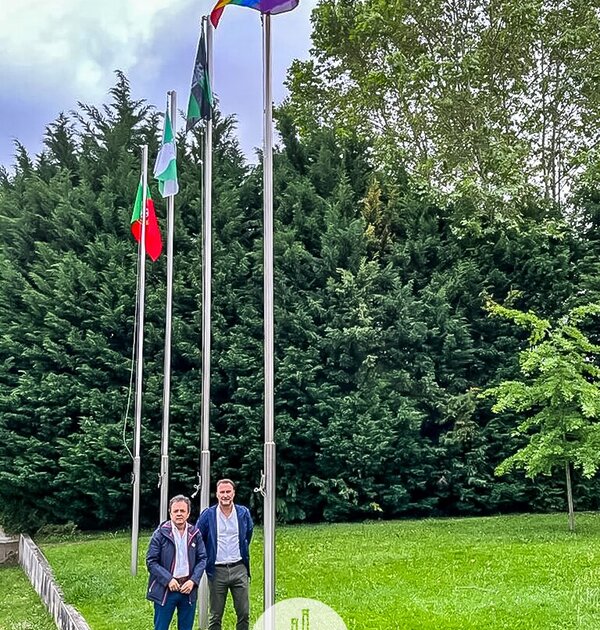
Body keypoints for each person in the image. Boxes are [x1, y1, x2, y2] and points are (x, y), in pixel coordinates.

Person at [197, 479, 254, 630]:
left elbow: (248, 534)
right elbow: (198, 538)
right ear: (217, 494)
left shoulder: (243, 513)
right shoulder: (208, 515)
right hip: (217, 570)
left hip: (239, 568)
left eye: (228, 491)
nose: (225, 495)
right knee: (215, 615)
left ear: (233, 493)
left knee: (244, 613)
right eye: (222, 492)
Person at [146, 494, 207, 630]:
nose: (179, 514)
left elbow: (202, 558)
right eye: (176, 511)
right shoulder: (160, 534)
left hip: (188, 589)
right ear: (170, 513)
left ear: (188, 513)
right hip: (166, 590)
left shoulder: (195, 534)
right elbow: (151, 562)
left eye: (182, 511)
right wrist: (168, 579)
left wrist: (193, 581)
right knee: (161, 627)